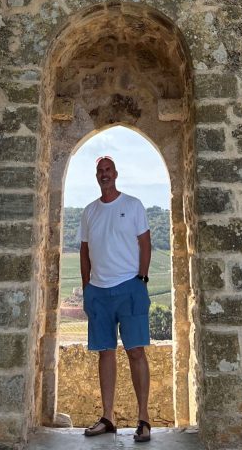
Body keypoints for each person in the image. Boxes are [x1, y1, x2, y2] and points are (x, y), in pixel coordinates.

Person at [79, 154, 153, 443]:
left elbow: (145, 242)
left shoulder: (133, 205)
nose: (104, 174)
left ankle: (143, 419)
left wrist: (142, 279)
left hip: (129, 287)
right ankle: (108, 417)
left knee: (136, 352)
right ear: (96, 176)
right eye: (100, 170)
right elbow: (84, 251)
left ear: (116, 173)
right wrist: (87, 287)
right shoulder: (89, 212)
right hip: (98, 291)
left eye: (108, 169)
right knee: (105, 353)